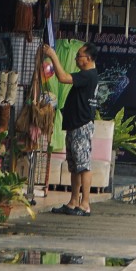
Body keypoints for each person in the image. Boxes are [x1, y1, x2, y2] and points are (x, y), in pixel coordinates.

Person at [44, 40, 100, 216]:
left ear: (88, 58)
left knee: (83, 165)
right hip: (75, 125)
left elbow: (63, 78)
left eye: (79, 56)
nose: (76, 59)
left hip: (82, 125)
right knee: (75, 166)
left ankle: (85, 204)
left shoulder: (88, 75)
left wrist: (53, 55)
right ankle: (73, 201)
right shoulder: (87, 75)